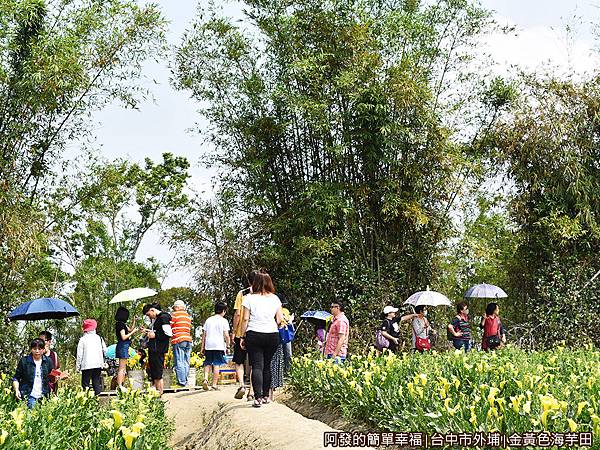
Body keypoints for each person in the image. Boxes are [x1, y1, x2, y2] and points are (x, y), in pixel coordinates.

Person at [240, 271, 284, 408]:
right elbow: (280, 319)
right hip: (272, 334)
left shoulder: (248, 298)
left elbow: (245, 319)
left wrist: (242, 336)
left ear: (255, 283)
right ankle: (266, 396)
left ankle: (257, 397)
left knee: (257, 365)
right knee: (267, 365)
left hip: (254, 334)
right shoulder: (275, 299)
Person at [231, 270, 259, 400]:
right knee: (254, 363)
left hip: (240, 332)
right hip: (256, 331)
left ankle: (242, 385)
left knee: (239, 361)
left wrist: (234, 331)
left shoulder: (242, 294)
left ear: (248, 281)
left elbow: (237, 314)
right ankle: (252, 391)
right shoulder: (262, 295)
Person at [141, 303, 172, 394]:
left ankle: (160, 392)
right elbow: (157, 331)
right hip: (154, 348)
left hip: (159, 349)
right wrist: (148, 331)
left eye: (148, 314)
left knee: (158, 373)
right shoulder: (157, 319)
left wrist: (155, 335)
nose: (149, 317)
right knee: (154, 372)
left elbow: (168, 333)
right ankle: (157, 392)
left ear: (152, 310)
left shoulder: (163, 318)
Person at [13, 338, 53, 408]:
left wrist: (57, 378)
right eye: (34, 349)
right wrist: (16, 390)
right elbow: (16, 378)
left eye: (39, 349)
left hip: (44, 396)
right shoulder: (24, 361)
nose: (37, 351)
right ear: (31, 349)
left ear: (43, 350)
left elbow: (51, 378)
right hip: (29, 395)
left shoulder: (48, 361)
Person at [201, 302, 230, 391]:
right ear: (223, 311)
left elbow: (204, 335)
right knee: (217, 364)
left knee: (207, 363)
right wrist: (228, 346)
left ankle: (205, 379)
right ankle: (214, 384)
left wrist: (202, 347)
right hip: (218, 345)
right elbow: (226, 335)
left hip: (209, 345)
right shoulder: (223, 321)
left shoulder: (208, 320)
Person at [76, 319, 107, 396]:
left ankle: (85, 401)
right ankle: (99, 400)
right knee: (96, 382)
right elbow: (105, 350)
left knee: (85, 384)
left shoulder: (82, 339)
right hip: (97, 364)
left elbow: (79, 355)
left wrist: (77, 367)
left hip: (86, 365)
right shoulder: (99, 338)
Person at [170, 299, 193, 387]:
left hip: (178, 339)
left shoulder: (175, 315)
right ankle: (185, 381)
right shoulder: (188, 316)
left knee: (179, 361)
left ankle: (181, 382)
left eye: (175, 307)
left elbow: (169, 326)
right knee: (186, 361)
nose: (174, 309)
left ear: (178, 307)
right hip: (188, 339)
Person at [115, 306, 138, 387]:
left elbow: (130, 330)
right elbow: (124, 337)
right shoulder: (120, 324)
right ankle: (120, 386)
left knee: (123, 368)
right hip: (122, 345)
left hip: (123, 346)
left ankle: (121, 385)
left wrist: (134, 320)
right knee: (121, 368)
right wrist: (133, 332)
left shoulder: (121, 324)